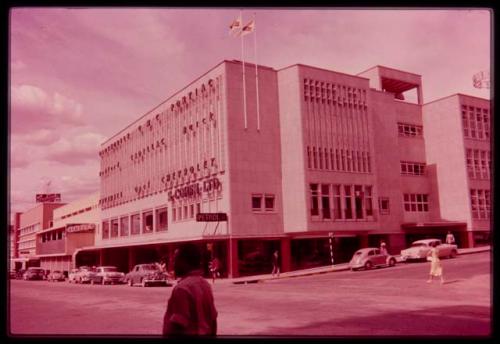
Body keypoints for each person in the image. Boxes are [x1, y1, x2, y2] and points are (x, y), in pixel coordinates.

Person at [162, 243, 217, 336]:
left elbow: (178, 325)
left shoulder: (182, 289)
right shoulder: (205, 284)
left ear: (185, 262)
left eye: (176, 260)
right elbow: (213, 320)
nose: (173, 263)